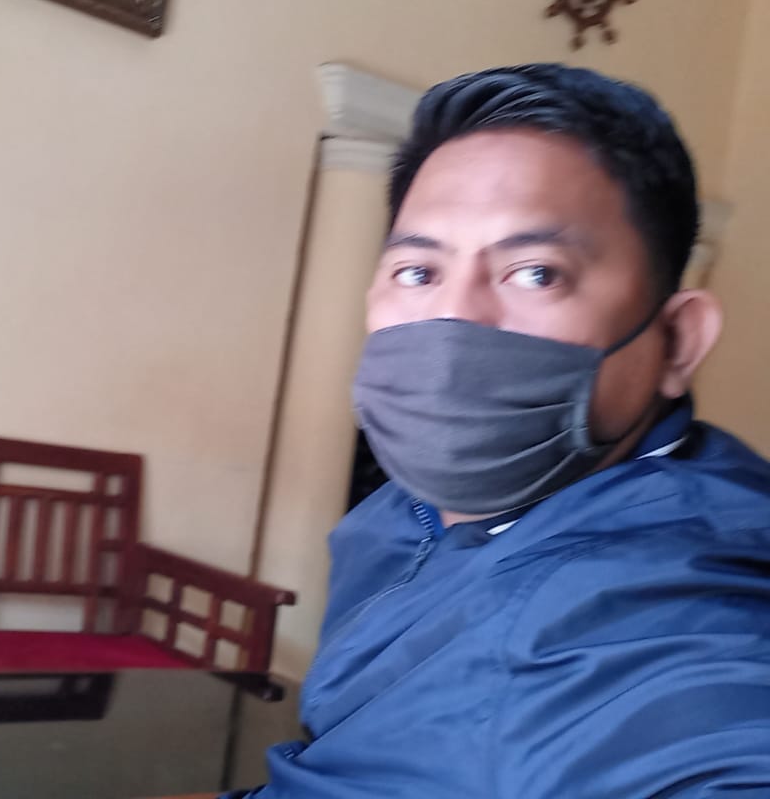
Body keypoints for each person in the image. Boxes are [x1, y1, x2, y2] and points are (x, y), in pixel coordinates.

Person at [233, 64, 770, 797]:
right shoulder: (406, 507)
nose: (455, 319)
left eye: (536, 273)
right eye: (418, 273)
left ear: (677, 342)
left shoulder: (665, 607)